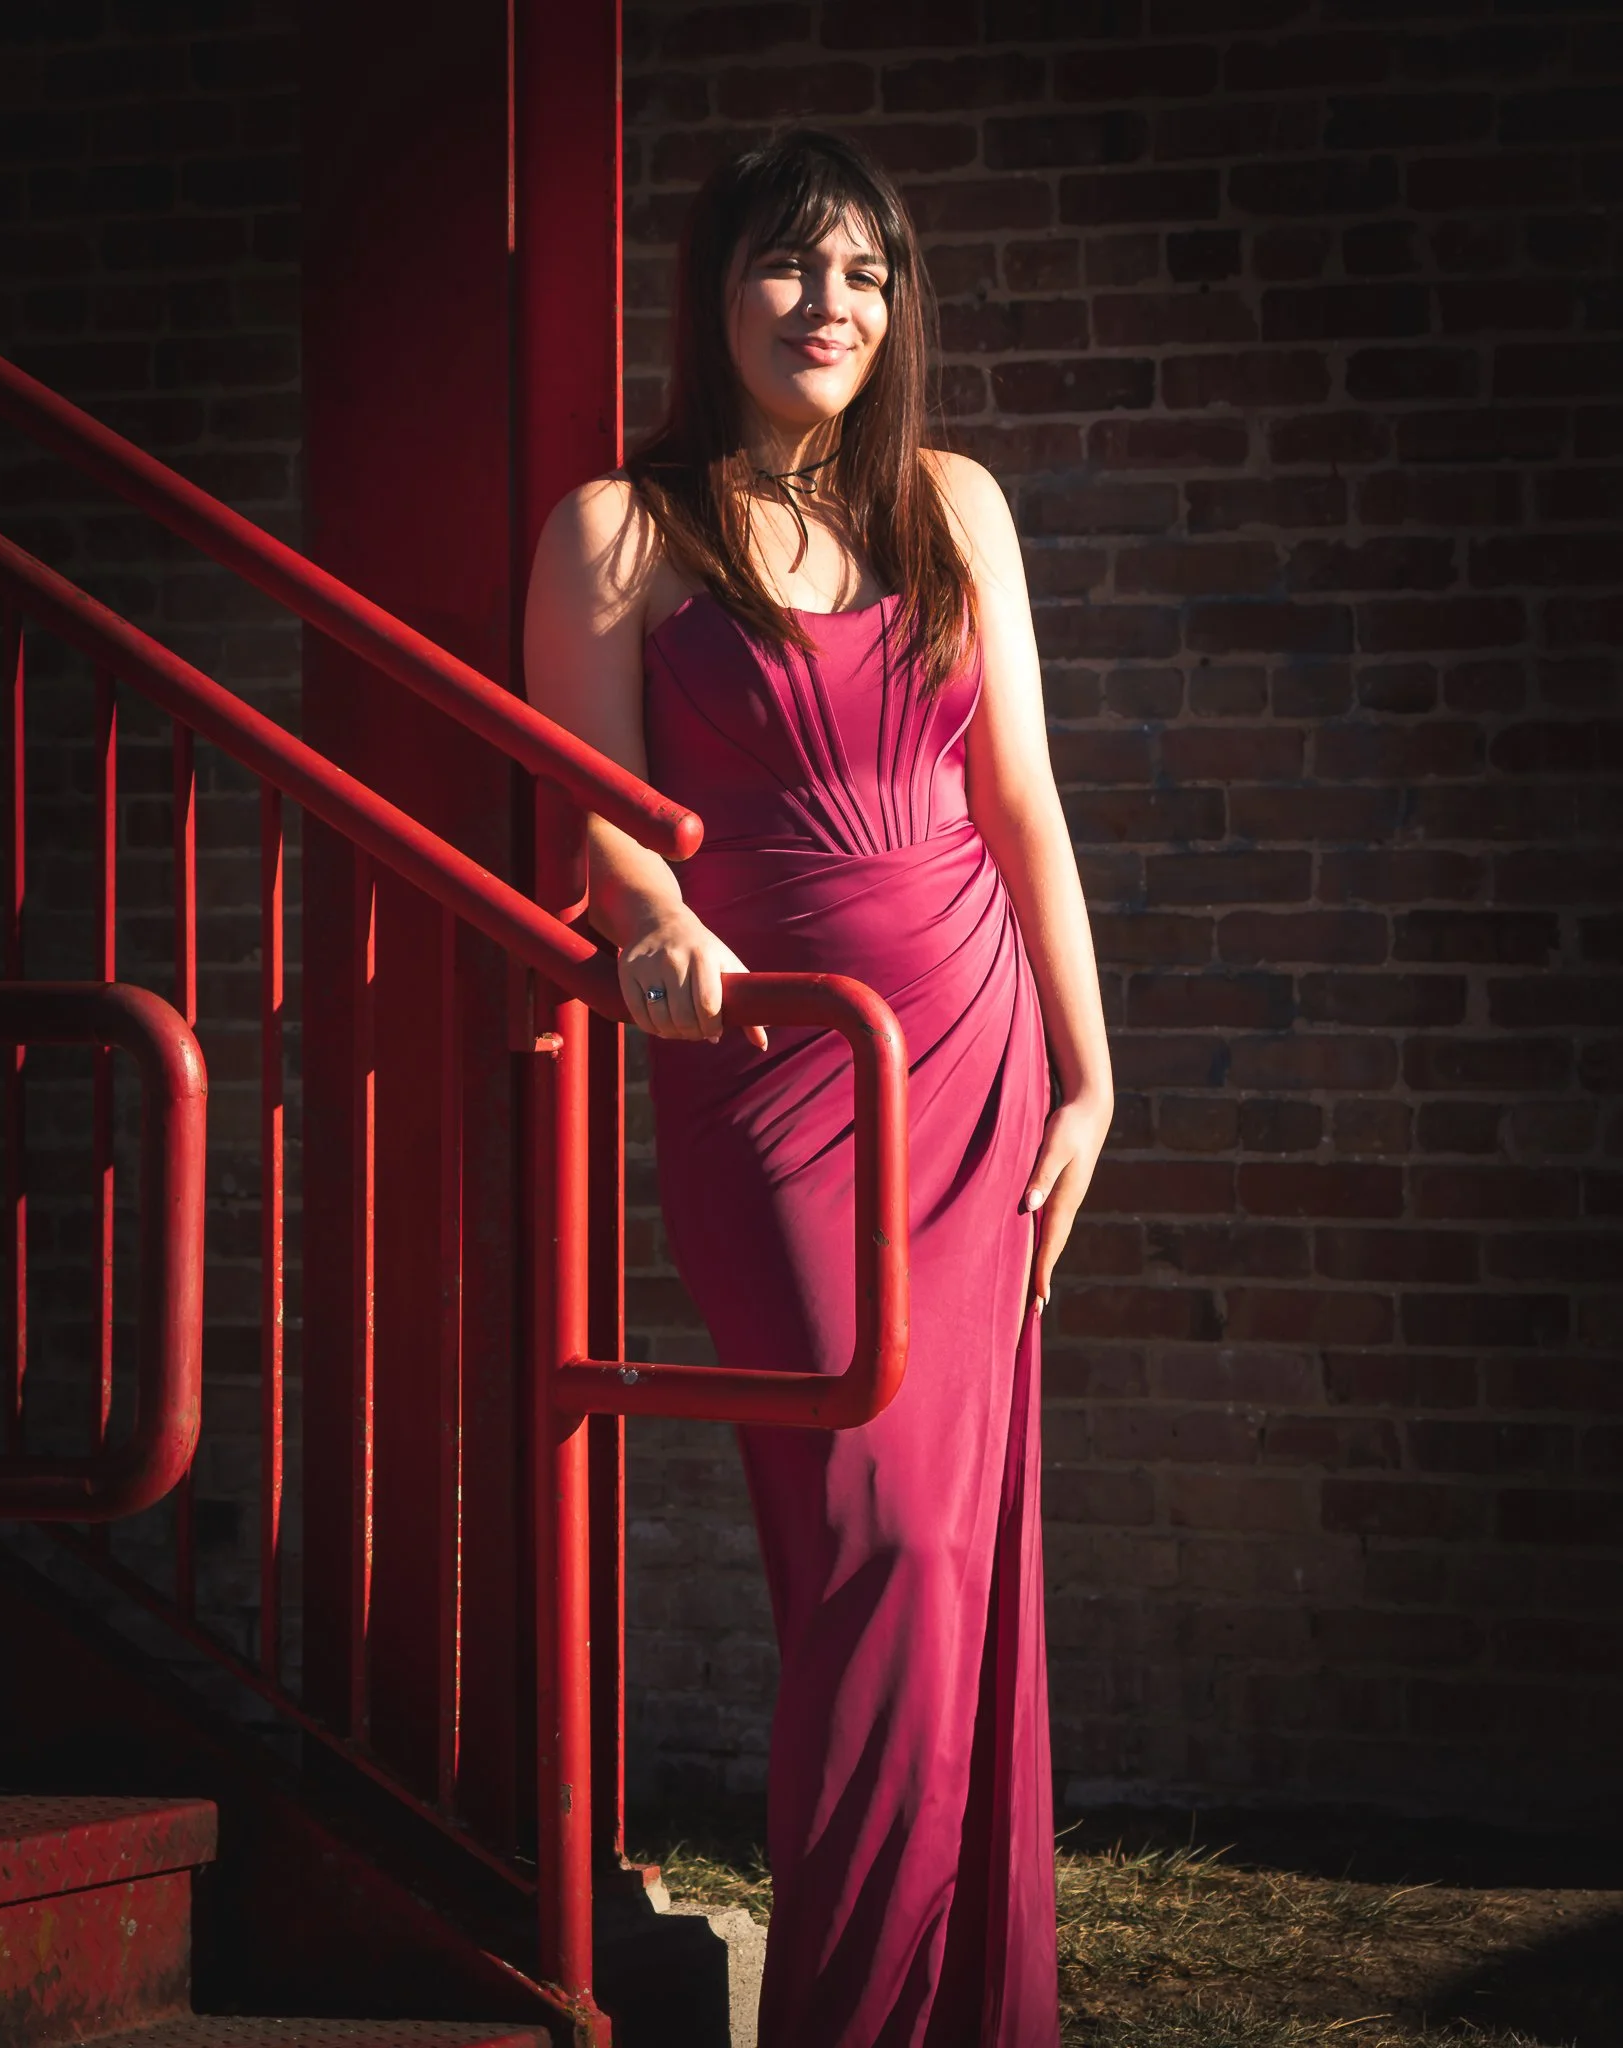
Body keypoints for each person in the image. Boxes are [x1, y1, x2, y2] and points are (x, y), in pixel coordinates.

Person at [523, 127, 1112, 2048]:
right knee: (880, 1545)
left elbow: (1017, 801)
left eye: (863, 274)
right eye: (790, 267)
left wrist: (1094, 1078)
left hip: (978, 1062)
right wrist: (649, 915)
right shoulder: (620, 526)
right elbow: (594, 803)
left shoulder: (954, 505)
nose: (829, 306)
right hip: (781, 1070)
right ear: (716, 293)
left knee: (953, 1562)